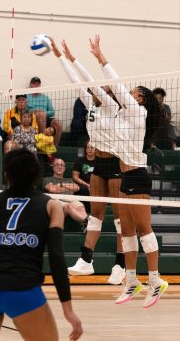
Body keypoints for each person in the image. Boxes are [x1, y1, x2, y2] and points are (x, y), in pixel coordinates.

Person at [0, 148, 82, 341]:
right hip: (23, 289)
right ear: (36, 175)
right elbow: (56, 258)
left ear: (6, 174)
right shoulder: (51, 206)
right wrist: (68, 308)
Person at [90, 34, 168, 307]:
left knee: (144, 229)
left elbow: (117, 86)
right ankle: (132, 280)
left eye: (135, 92)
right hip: (125, 177)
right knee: (127, 231)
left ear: (141, 100)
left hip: (138, 176)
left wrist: (101, 58)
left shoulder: (138, 112)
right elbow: (107, 95)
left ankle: (156, 281)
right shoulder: (124, 116)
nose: (130, 93)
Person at [54, 38, 126, 284]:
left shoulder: (112, 107)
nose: (99, 90)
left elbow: (89, 81)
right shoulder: (90, 104)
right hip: (99, 166)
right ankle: (86, 260)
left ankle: (121, 264)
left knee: (119, 217)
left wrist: (86, 59)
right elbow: (78, 82)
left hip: (116, 164)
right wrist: (63, 58)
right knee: (95, 215)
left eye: (103, 89)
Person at [27, 77, 63, 146]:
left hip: (45, 117)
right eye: (34, 83)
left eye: (38, 84)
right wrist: (34, 111)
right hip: (33, 118)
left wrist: (43, 113)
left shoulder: (45, 98)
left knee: (58, 123)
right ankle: (41, 143)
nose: (36, 85)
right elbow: (24, 111)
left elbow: (52, 112)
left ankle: (54, 147)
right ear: (31, 85)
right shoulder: (27, 96)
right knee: (40, 115)